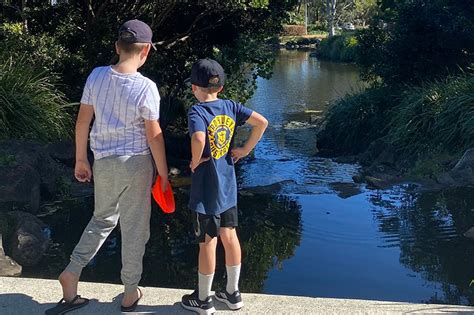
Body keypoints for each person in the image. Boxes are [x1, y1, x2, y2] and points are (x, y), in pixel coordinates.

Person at [45, 19, 168, 315]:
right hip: (136, 163)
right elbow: (154, 135)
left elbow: (83, 121)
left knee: (101, 220)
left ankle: (72, 272)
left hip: (103, 162)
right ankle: (129, 294)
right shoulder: (146, 87)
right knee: (135, 229)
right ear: (146, 51)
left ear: (117, 47)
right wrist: (163, 173)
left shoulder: (97, 76)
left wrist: (80, 158)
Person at [181, 58, 268, 314]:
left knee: (207, 242)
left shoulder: (197, 111)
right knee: (230, 236)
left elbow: (198, 138)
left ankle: (204, 299)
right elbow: (262, 122)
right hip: (228, 184)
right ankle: (233, 293)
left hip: (206, 186)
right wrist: (244, 150)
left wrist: (195, 162)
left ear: (195, 88)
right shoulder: (230, 106)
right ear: (219, 87)